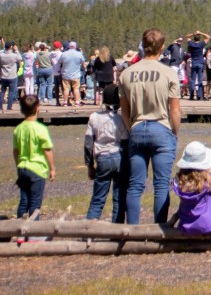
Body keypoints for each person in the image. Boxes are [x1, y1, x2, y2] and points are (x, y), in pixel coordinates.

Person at [119, 28, 181, 224]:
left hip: (137, 128)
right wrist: (174, 133)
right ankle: (160, 228)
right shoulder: (169, 73)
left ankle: (132, 230)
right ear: (162, 48)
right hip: (161, 127)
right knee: (161, 184)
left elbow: (125, 110)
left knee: (135, 185)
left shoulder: (127, 74)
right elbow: (175, 111)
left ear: (143, 46)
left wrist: (131, 129)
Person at [84, 83, 129, 221]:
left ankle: (88, 232)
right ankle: (117, 233)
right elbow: (125, 142)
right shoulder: (121, 119)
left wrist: (90, 165)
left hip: (102, 157)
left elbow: (88, 143)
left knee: (98, 198)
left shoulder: (94, 117)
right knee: (119, 198)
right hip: (118, 156)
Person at [171, 141, 211, 234]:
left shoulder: (179, 180)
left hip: (186, 224)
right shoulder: (208, 177)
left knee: (184, 206)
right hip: (207, 223)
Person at [13, 94, 55, 218]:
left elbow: (16, 151)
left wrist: (18, 166)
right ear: (38, 108)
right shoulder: (40, 128)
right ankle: (33, 232)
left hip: (23, 167)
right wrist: (52, 168)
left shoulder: (18, 129)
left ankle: (20, 230)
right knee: (35, 204)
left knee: (24, 201)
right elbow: (47, 150)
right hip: (37, 168)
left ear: (21, 110)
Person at [0, 40, 22, 112]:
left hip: (4, 75)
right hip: (12, 76)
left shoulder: (1, 55)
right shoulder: (14, 55)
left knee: (2, 91)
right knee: (11, 92)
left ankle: (0, 106)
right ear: (11, 47)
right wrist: (16, 50)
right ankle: (9, 106)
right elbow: (20, 58)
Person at [186, 30, 210, 101]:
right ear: (199, 38)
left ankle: (191, 95)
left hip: (194, 62)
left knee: (192, 80)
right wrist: (201, 33)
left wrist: (193, 33)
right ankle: (200, 95)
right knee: (200, 80)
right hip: (200, 62)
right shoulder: (201, 44)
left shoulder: (191, 44)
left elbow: (187, 36)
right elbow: (208, 37)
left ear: (194, 38)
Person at [59, 40, 85, 106]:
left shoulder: (64, 53)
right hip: (76, 74)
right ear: (75, 46)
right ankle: (77, 102)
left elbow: (60, 62)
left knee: (66, 89)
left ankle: (65, 102)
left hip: (65, 74)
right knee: (76, 89)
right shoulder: (79, 54)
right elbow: (83, 62)